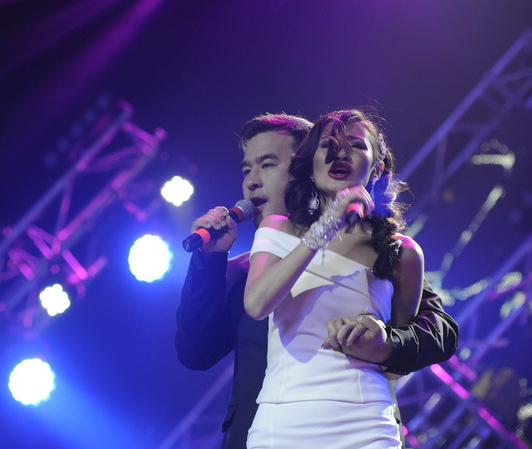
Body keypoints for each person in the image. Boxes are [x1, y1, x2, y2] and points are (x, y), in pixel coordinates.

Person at [176, 113, 458, 449]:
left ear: (302, 164)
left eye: (267, 165)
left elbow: (439, 329)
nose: (252, 182)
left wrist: (384, 343)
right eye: (247, 170)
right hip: (269, 429)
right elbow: (195, 351)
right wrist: (207, 262)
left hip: (362, 422)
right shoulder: (244, 266)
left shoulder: (391, 252)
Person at [244, 109, 423, 448]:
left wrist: (379, 338)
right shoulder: (277, 228)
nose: (339, 153)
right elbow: (256, 304)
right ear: (311, 163)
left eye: (355, 145)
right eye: (328, 145)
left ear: (377, 168)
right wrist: (327, 225)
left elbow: (398, 366)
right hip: (282, 424)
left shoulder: (403, 253)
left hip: (366, 426)